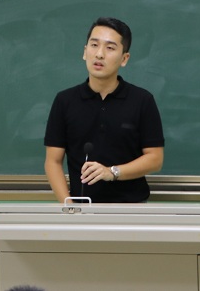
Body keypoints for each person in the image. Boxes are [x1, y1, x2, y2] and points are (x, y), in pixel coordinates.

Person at [43, 16, 164, 203]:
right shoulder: (64, 101)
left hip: (133, 208)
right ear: (85, 52)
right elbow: (53, 161)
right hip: (81, 209)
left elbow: (155, 159)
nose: (99, 54)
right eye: (94, 45)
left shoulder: (142, 100)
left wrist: (112, 172)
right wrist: (69, 206)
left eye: (110, 48)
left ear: (124, 58)